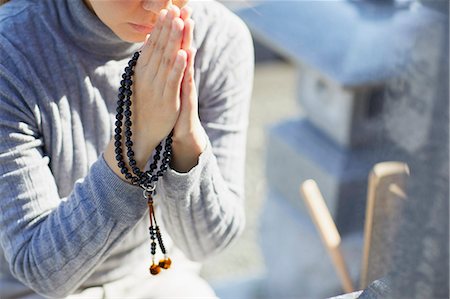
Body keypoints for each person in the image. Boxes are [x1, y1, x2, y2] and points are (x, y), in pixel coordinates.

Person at [0, 0, 254, 297]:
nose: (158, 6)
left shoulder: (217, 38)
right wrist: (135, 140)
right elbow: (40, 272)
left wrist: (186, 143)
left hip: (154, 275)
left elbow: (207, 244)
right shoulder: (11, 53)